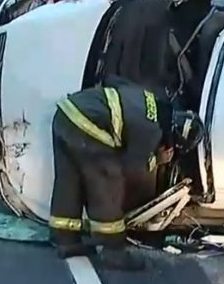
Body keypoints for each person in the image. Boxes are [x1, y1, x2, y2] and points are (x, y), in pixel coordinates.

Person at [48, 82, 205, 271]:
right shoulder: (152, 131)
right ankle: (113, 251)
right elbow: (131, 167)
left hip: (66, 114)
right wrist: (158, 159)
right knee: (108, 183)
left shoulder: (154, 101)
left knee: (69, 180)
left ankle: (65, 240)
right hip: (87, 123)